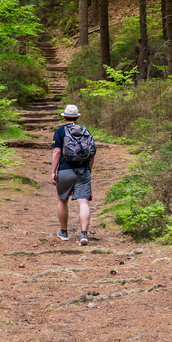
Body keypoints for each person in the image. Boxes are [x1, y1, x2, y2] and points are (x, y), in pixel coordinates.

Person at [51, 103, 95, 246]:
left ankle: (64, 232)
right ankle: (83, 234)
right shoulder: (85, 131)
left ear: (64, 117)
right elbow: (92, 153)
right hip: (83, 171)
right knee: (83, 202)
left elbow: (57, 152)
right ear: (76, 117)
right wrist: (89, 169)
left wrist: (53, 171)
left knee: (62, 200)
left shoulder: (60, 131)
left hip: (64, 171)